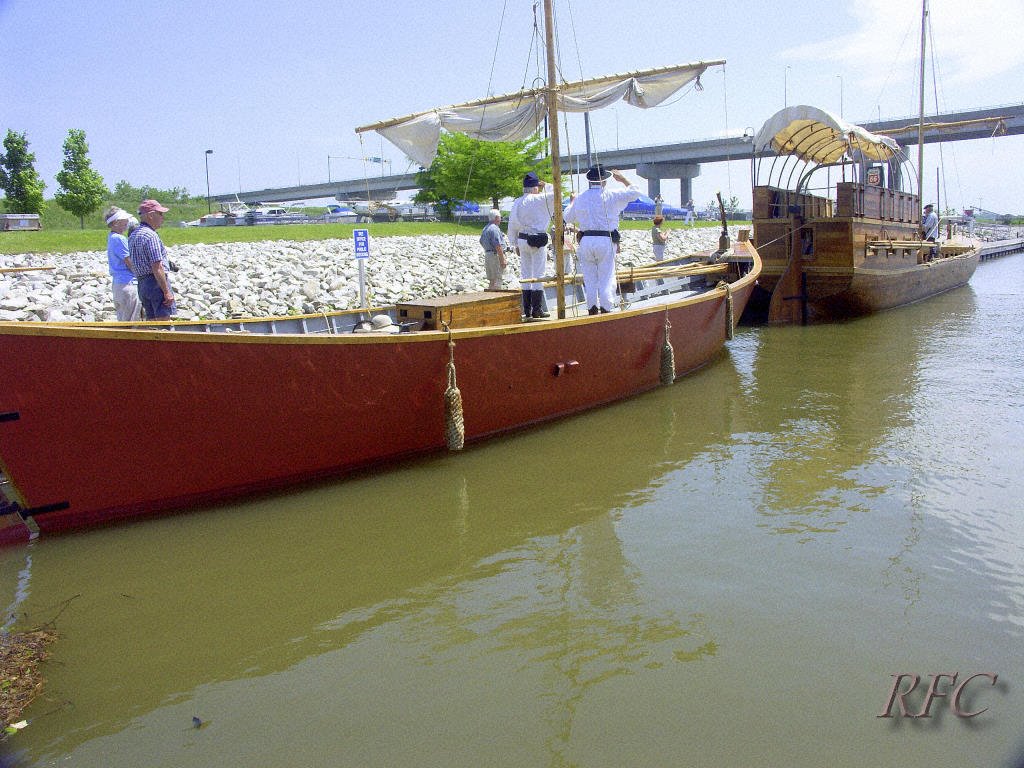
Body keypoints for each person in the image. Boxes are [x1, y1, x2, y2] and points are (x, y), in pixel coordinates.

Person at [562, 164, 640, 314]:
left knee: (589, 277)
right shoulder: (611, 195)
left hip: (586, 239)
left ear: (589, 180)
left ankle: (591, 307)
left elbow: (568, 216)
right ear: (604, 180)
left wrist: (572, 201)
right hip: (605, 239)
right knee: (606, 276)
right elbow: (635, 192)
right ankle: (606, 308)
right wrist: (623, 179)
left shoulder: (581, 198)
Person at [508, 171, 557, 319]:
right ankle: (537, 309)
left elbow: (512, 223)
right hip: (537, 240)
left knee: (526, 273)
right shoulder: (540, 199)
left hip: (522, 239)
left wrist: (514, 242)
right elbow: (557, 193)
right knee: (538, 274)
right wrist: (547, 185)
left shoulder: (517, 201)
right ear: (535, 187)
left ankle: (526, 309)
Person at [129, 198, 176, 319]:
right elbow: (157, 266)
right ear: (150, 215)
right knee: (163, 321)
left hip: (142, 284)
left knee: (151, 321)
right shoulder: (151, 235)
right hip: (155, 283)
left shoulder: (133, 235)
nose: (162, 217)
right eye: (160, 214)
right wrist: (166, 291)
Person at [103, 206, 142, 321]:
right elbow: (129, 261)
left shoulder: (112, 237)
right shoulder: (120, 239)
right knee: (133, 322)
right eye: (123, 220)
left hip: (118, 284)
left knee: (123, 320)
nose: (127, 222)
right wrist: (140, 275)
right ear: (115, 223)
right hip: (127, 284)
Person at [479, 209, 508, 291]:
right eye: (499, 217)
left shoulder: (485, 228)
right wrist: (502, 260)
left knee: (492, 280)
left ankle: (489, 298)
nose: (500, 219)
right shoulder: (494, 229)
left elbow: (481, 241)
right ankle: (496, 299)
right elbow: (498, 245)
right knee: (498, 281)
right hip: (495, 255)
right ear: (496, 218)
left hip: (488, 255)